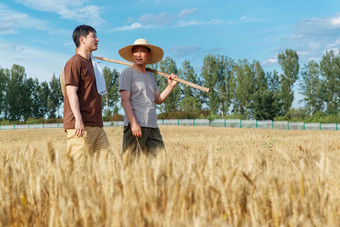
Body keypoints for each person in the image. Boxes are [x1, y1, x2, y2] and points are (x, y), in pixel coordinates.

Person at [118, 38, 178, 157]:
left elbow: (158, 99)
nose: (138, 55)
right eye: (136, 51)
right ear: (132, 54)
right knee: (130, 164)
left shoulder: (150, 76)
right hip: (135, 125)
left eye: (142, 51)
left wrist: (170, 86)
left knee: (160, 162)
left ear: (148, 55)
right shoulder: (127, 73)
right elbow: (125, 100)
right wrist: (133, 123)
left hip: (152, 125)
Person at [63, 25, 110, 165]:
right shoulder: (74, 63)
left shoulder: (93, 64)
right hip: (80, 127)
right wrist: (78, 120)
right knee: (78, 171)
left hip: (96, 125)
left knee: (109, 167)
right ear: (82, 39)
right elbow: (71, 92)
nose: (97, 39)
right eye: (93, 36)